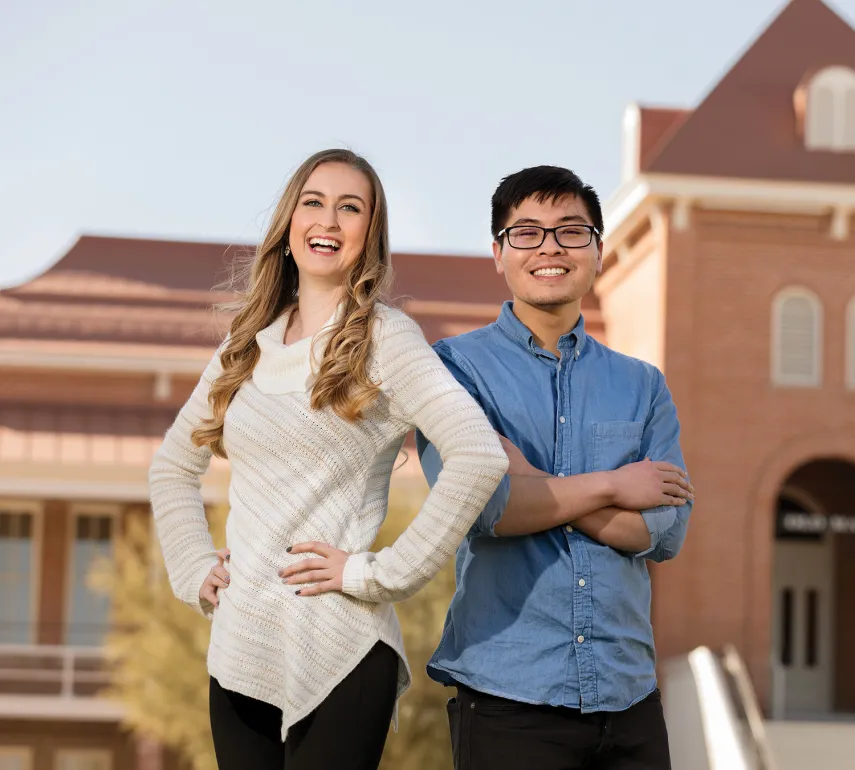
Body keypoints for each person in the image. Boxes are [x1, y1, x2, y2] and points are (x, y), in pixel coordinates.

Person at [148, 148, 508, 770]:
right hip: (240, 646)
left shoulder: (386, 339)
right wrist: (192, 567)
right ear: (289, 224)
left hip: (339, 647)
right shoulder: (245, 347)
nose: (329, 220)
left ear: (369, 235)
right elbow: (172, 469)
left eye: (351, 208)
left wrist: (379, 574)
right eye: (313, 202)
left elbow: (477, 455)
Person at [416, 165, 694, 769]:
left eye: (571, 231)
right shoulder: (453, 371)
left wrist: (534, 484)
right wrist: (616, 486)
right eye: (527, 233)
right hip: (507, 693)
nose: (550, 248)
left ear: (597, 249)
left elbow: (663, 532)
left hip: (629, 697)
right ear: (498, 252)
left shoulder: (642, 386)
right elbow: (487, 508)